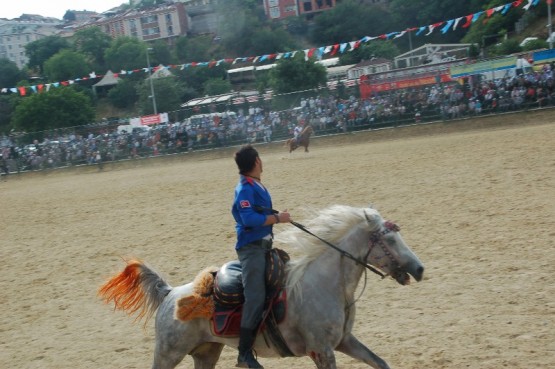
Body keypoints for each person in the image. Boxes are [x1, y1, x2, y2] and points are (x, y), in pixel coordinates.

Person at [232, 144, 291, 368]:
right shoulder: (244, 188)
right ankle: (244, 353)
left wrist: (275, 215)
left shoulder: (255, 184)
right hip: (251, 249)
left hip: (265, 246)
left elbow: (259, 213)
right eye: (260, 158)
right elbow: (248, 219)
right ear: (256, 162)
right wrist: (278, 219)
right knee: (255, 297)